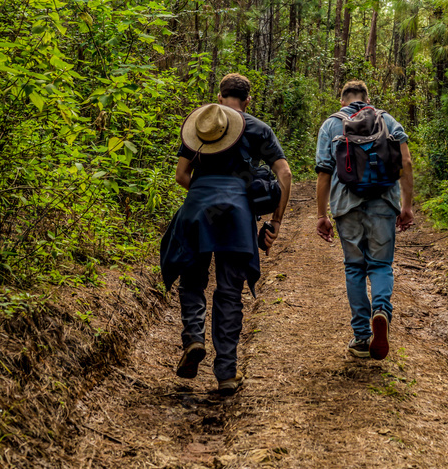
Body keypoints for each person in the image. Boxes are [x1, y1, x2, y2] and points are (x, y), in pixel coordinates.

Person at [160, 73, 292, 396]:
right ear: (248, 101)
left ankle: (193, 337)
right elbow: (285, 173)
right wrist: (275, 223)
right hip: (236, 214)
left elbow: (181, 175)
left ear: (219, 97)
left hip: (198, 211)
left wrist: (207, 195)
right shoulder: (258, 128)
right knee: (230, 292)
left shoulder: (202, 125)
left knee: (192, 279)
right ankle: (227, 373)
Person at [315, 79, 414, 360]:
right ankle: (381, 309)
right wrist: (407, 206)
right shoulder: (387, 119)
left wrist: (322, 215)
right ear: (368, 99)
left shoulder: (331, 124)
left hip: (347, 206)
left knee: (354, 268)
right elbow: (406, 162)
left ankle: (361, 337)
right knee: (381, 264)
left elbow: (323, 172)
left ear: (342, 100)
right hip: (384, 202)